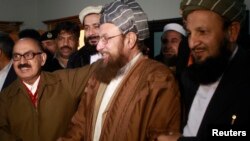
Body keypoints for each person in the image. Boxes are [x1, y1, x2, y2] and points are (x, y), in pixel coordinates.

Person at [58, 0, 181, 141]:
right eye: (99, 39)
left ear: (130, 40)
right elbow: (80, 123)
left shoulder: (159, 78)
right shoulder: (100, 73)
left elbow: (161, 136)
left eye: (106, 39)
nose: (98, 47)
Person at [157, 0, 250, 141]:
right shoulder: (188, 77)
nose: (192, 43)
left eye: (202, 31)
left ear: (232, 31)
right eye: (189, 33)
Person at [0, 37, 97, 141]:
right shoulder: (5, 96)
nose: (22, 61)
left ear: (42, 59)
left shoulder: (65, 81)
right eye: (17, 56)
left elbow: (97, 67)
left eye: (29, 55)